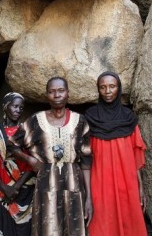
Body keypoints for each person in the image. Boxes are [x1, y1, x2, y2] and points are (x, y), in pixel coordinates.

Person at [8, 77, 93, 236]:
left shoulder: (80, 121)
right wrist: (30, 160)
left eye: (61, 91)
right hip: (46, 182)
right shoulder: (36, 120)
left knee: (75, 229)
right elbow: (11, 145)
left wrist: (89, 197)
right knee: (48, 229)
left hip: (74, 183)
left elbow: (86, 161)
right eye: (52, 92)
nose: (57, 95)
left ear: (68, 93)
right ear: (46, 95)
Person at [85, 71, 147, 236]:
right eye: (103, 87)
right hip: (100, 181)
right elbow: (85, 156)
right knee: (102, 222)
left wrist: (140, 186)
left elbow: (136, 154)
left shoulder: (128, 117)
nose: (107, 91)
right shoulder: (90, 117)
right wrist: (87, 193)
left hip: (127, 180)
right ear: (98, 90)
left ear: (119, 88)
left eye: (112, 86)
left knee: (130, 221)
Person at [0, 92, 35, 236]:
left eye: (21, 107)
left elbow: (34, 162)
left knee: (26, 227)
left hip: (25, 187)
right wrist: (3, 187)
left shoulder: (27, 131)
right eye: (14, 106)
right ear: (5, 107)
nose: (18, 110)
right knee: (3, 224)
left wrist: (16, 187)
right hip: (4, 188)